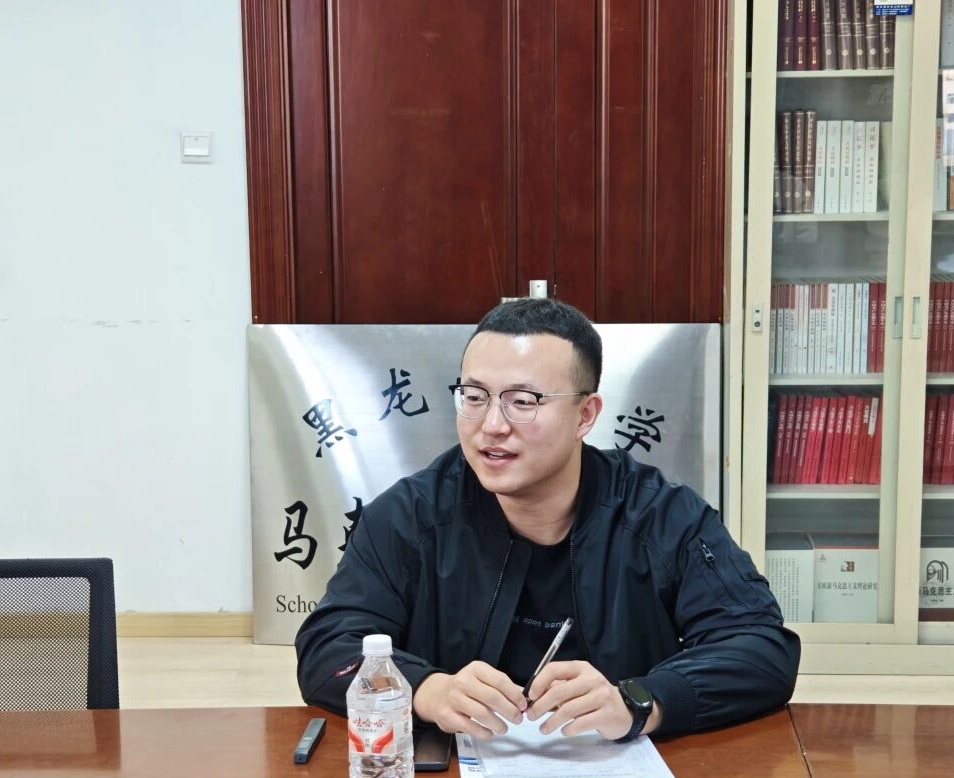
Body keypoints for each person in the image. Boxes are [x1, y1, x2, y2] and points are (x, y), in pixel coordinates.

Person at [295, 298, 799, 742]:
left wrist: (640, 702)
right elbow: (327, 648)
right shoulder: (409, 517)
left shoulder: (661, 517)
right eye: (474, 397)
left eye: (523, 401)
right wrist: (427, 690)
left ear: (585, 415)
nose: (492, 425)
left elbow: (761, 649)